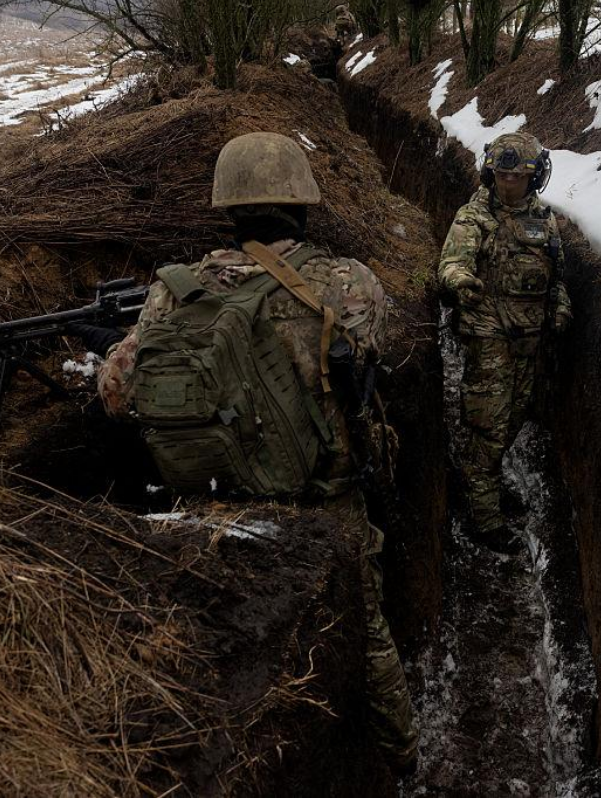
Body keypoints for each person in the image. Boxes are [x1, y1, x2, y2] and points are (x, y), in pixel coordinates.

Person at [95, 131, 419, 775]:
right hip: (322, 502)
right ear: (301, 205)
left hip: (211, 507)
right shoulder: (346, 282)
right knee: (367, 627)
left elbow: (115, 393)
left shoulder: (175, 291)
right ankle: (401, 756)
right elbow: (385, 346)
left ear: (227, 209)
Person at [438, 132, 572, 555]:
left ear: (534, 178)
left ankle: (485, 483)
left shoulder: (545, 221)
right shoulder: (473, 218)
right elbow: (452, 263)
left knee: (514, 417)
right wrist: (460, 282)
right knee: (488, 427)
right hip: (488, 333)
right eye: (502, 175)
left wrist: (561, 306)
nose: (508, 183)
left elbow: (557, 275)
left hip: (528, 337)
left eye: (517, 176)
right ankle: (484, 519)